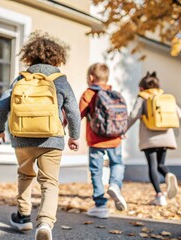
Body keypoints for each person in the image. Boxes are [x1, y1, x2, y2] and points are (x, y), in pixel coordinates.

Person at [0, 31, 80, 240]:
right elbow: (74, 110)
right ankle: (45, 224)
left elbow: (1, 106)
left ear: (29, 56)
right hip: (52, 138)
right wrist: (74, 136)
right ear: (58, 57)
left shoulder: (21, 79)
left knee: (25, 175)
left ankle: (23, 217)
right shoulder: (60, 80)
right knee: (49, 182)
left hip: (21, 138)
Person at [79, 63, 127, 219]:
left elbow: (77, 114)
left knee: (96, 171)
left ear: (91, 78)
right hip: (115, 138)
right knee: (117, 163)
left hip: (96, 140)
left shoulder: (88, 94)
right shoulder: (114, 94)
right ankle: (115, 185)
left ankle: (100, 205)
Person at [127, 71, 181, 206]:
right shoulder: (163, 96)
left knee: (152, 166)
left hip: (149, 138)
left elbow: (134, 115)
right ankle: (168, 174)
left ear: (141, 88)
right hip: (166, 136)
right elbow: (178, 113)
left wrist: (122, 130)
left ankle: (159, 195)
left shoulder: (142, 97)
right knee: (161, 164)